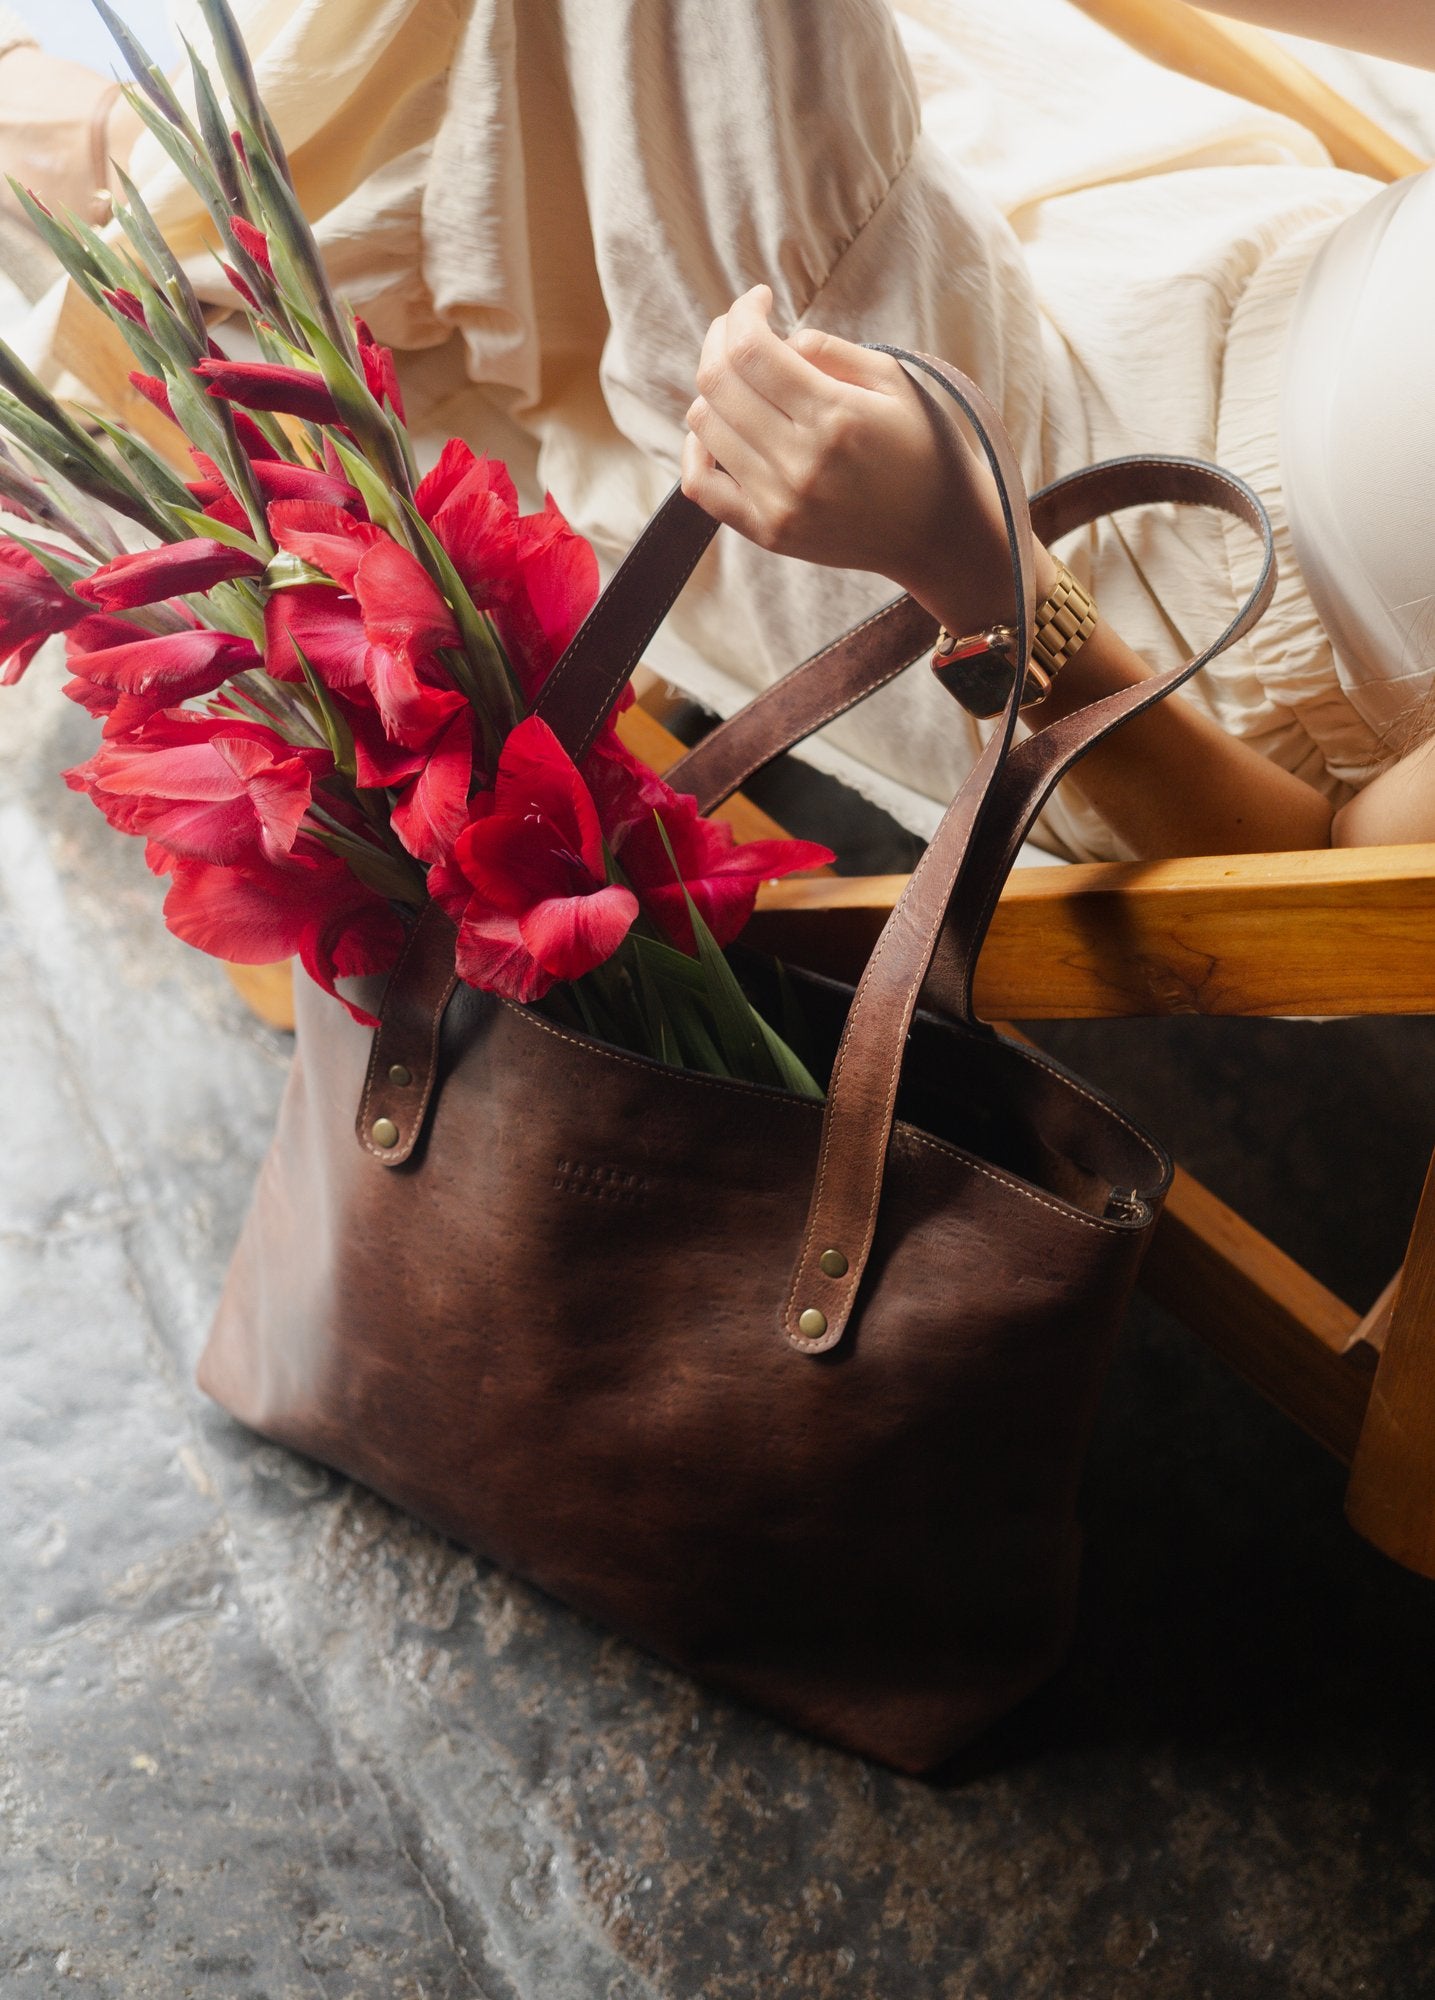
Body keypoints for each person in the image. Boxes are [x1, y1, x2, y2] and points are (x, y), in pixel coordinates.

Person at [4, 0, 1435, 862]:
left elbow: (1313, 872)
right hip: (1192, 213)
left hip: (1091, 557)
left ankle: (102, 191)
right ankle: (110, 185)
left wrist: (978, 571)